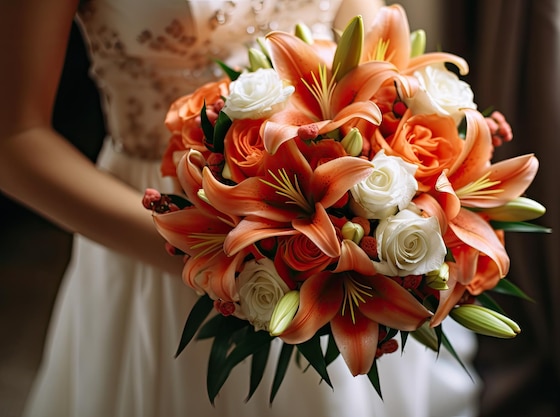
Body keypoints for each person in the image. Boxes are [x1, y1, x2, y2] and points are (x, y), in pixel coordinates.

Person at [0, 1, 479, 416]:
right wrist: (215, 253)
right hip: (163, 221)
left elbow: (371, 44)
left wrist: (395, 188)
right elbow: (14, 142)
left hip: (344, 199)